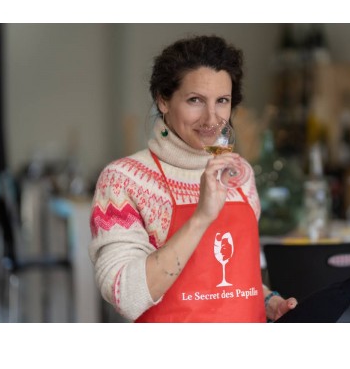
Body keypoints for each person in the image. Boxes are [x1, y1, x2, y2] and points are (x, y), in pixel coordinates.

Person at [88, 34, 297, 322]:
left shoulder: (240, 174)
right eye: (195, 100)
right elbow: (126, 296)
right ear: (163, 100)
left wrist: (268, 301)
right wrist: (201, 217)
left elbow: (228, 279)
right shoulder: (123, 180)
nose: (211, 118)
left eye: (222, 101)